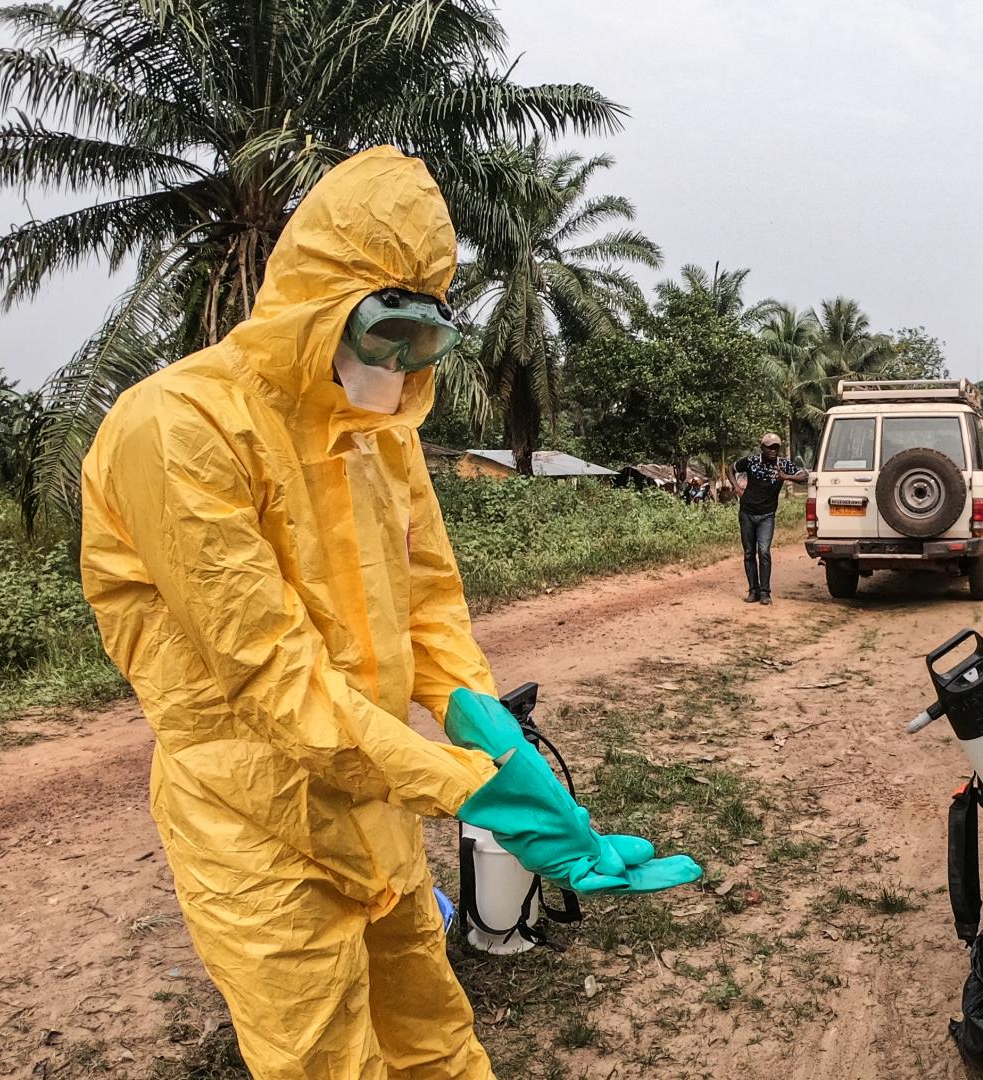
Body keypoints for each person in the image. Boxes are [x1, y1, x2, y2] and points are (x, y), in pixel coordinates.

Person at [79, 147, 699, 1080]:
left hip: (374, 797)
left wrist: (491, 735)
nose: (400, 366)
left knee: (433, 1033)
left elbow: (427, 605)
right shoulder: (179, 425)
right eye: (385, 332)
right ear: (318, 301)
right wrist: (469, 790)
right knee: (322, 1058)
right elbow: (269, 674)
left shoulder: (381, 435)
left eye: (426, 340)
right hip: (254, 817)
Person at [732, 433, 806, 604]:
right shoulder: (751, 462)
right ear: (762, 448)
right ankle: (753, 590)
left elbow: (804, 477)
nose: (773, 450)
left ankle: (765, 592)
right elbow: (731, 468)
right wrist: (736, 487)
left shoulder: (783, 464)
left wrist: (786, 477)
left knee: (764, 552)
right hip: (747, 513)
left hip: (767, 515)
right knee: (749, 553)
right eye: (769, 447)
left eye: (776, 447)